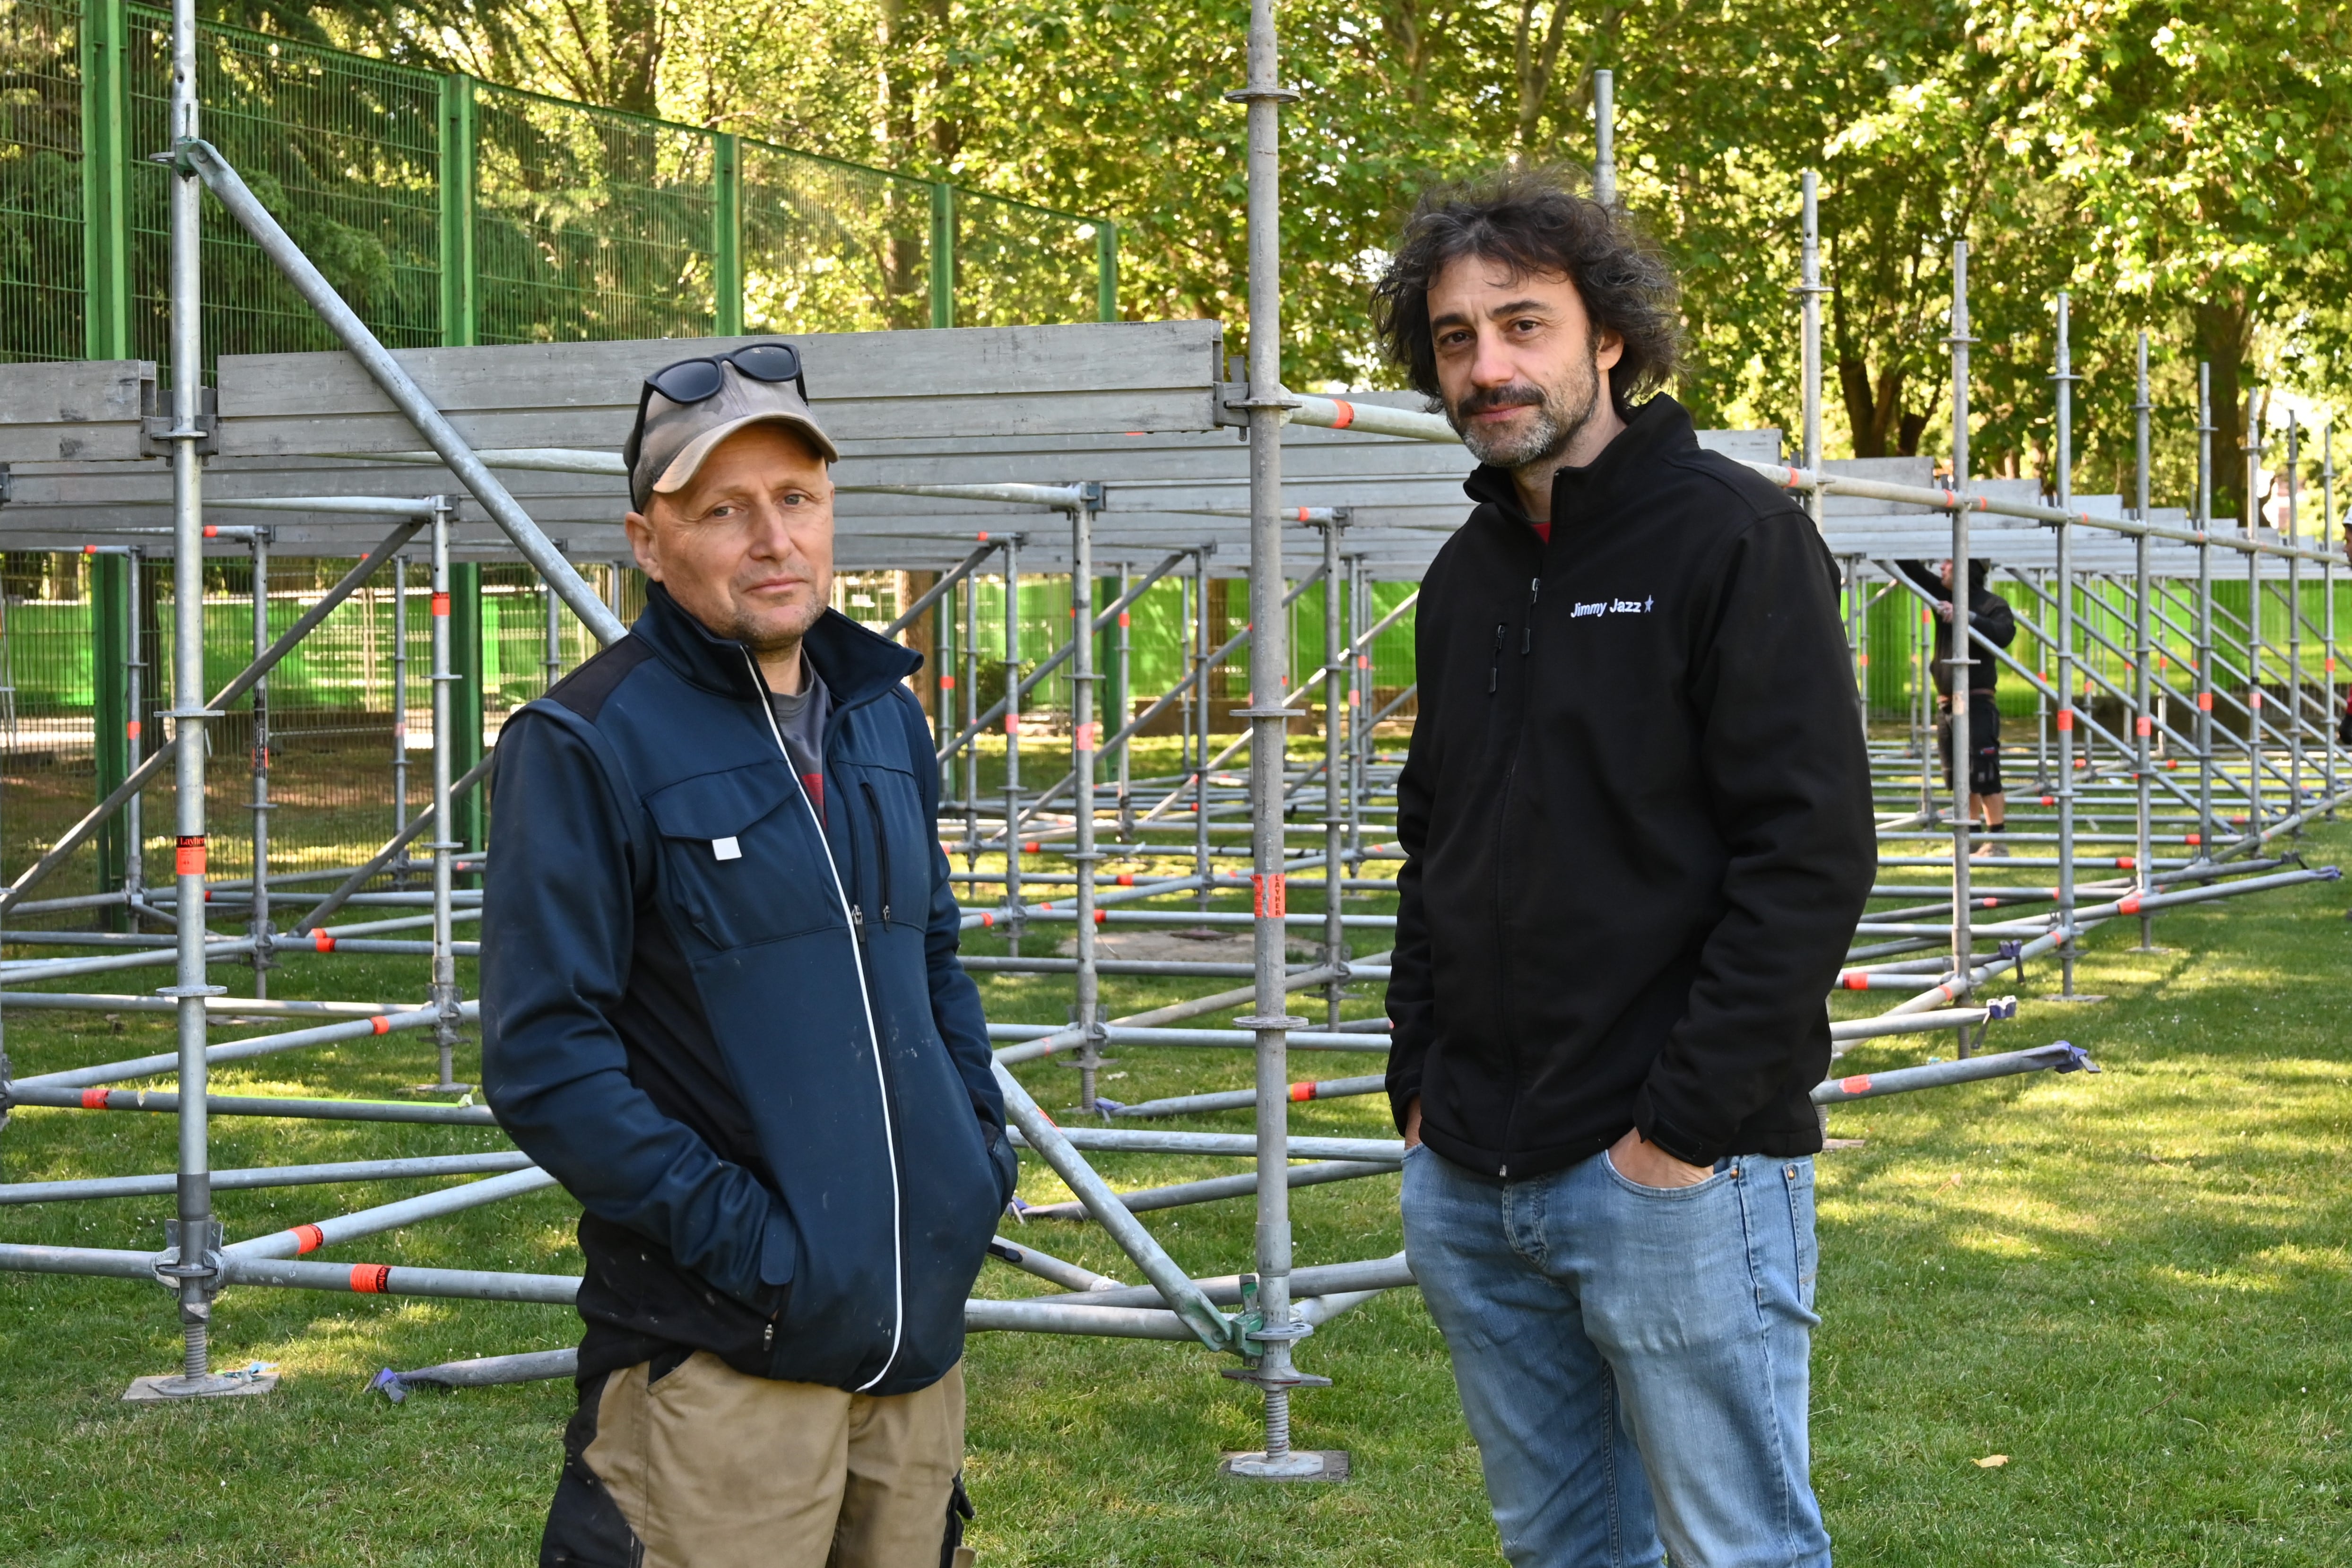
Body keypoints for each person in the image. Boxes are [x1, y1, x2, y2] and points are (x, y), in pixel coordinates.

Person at [1369, 170, 1876, 1568]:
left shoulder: (1729, 535)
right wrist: (1414, 1079)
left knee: (1737, 1549)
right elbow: (1436, 838)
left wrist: (1679, 1133)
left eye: (1521, 324)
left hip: (1669, 1169)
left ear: (1606, 338)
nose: (1487, 365)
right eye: (1455, 337)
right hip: (1472, 1165)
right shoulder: (1465, 577)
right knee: (1562, 1546)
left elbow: (1809, 853)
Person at [480, 342, 1015, 1568]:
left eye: (796, 498)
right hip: (722, 1358)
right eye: (721, 508)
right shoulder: (584, 742)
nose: (771, 538)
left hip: (910, 1339)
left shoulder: (882, 711)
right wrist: (755, 1251)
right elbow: (546, 1057)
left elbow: (931, 959)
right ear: (646, 540)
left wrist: (969, 1163)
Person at [1897, 556, 2017, 855]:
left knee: (1984, 769)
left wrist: (1964, 616)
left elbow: (2004, 634)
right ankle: (1971, 838)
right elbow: (1911, 569)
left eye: (1949, 562)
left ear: (1968, 568)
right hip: (1948, 703)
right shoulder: (1942, 596)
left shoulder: (1991, 604)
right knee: (1960, 773)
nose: (1941, 567)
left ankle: (1997, 839)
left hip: (1976, 701)